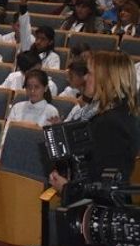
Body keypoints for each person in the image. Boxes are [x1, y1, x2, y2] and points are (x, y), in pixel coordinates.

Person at [49, 51, 139, 207]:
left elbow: (106, 188)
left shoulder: (111, 123)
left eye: (89, 73)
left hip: (98, 214)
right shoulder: (103, 113)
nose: (84, 78)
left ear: (106, 79)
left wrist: (66, 189)